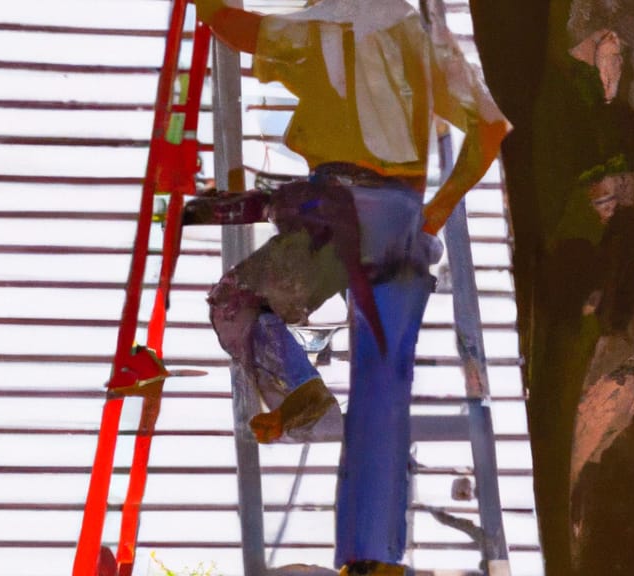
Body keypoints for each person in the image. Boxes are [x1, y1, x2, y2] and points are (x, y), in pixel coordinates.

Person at [195, 0, 509, 573]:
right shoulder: (425, 37)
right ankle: (373, 561)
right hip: (406, 222)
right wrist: (433, 213)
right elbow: (488, 133)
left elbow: (238, 28)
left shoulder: (332, 18)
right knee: (380, 398)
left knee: (234, 300)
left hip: (339, 209)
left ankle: (301, 393)